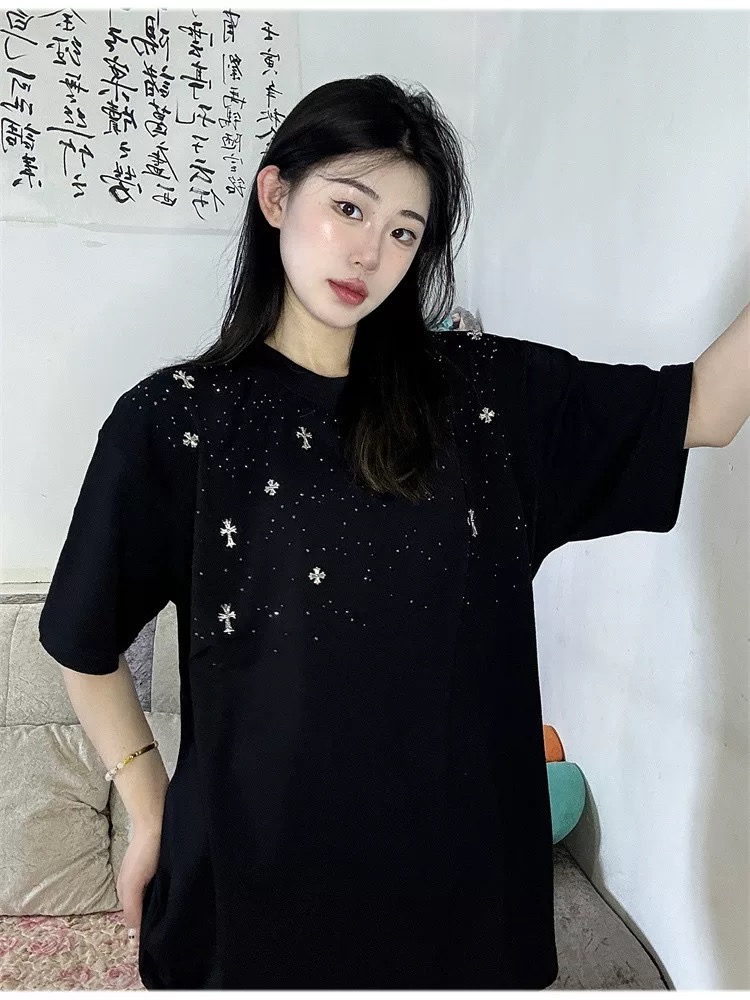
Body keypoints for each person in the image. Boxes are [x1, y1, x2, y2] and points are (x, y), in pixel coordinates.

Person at [38, 74, 698, 990]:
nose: (369, 253)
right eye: (349, 207)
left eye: (403, 232)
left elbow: (698, 408)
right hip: (255, 896)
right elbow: (82, 637)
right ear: (276, 196)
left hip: (459, 898)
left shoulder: (483, 398)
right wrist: (148, 803)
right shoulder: (176, 420)